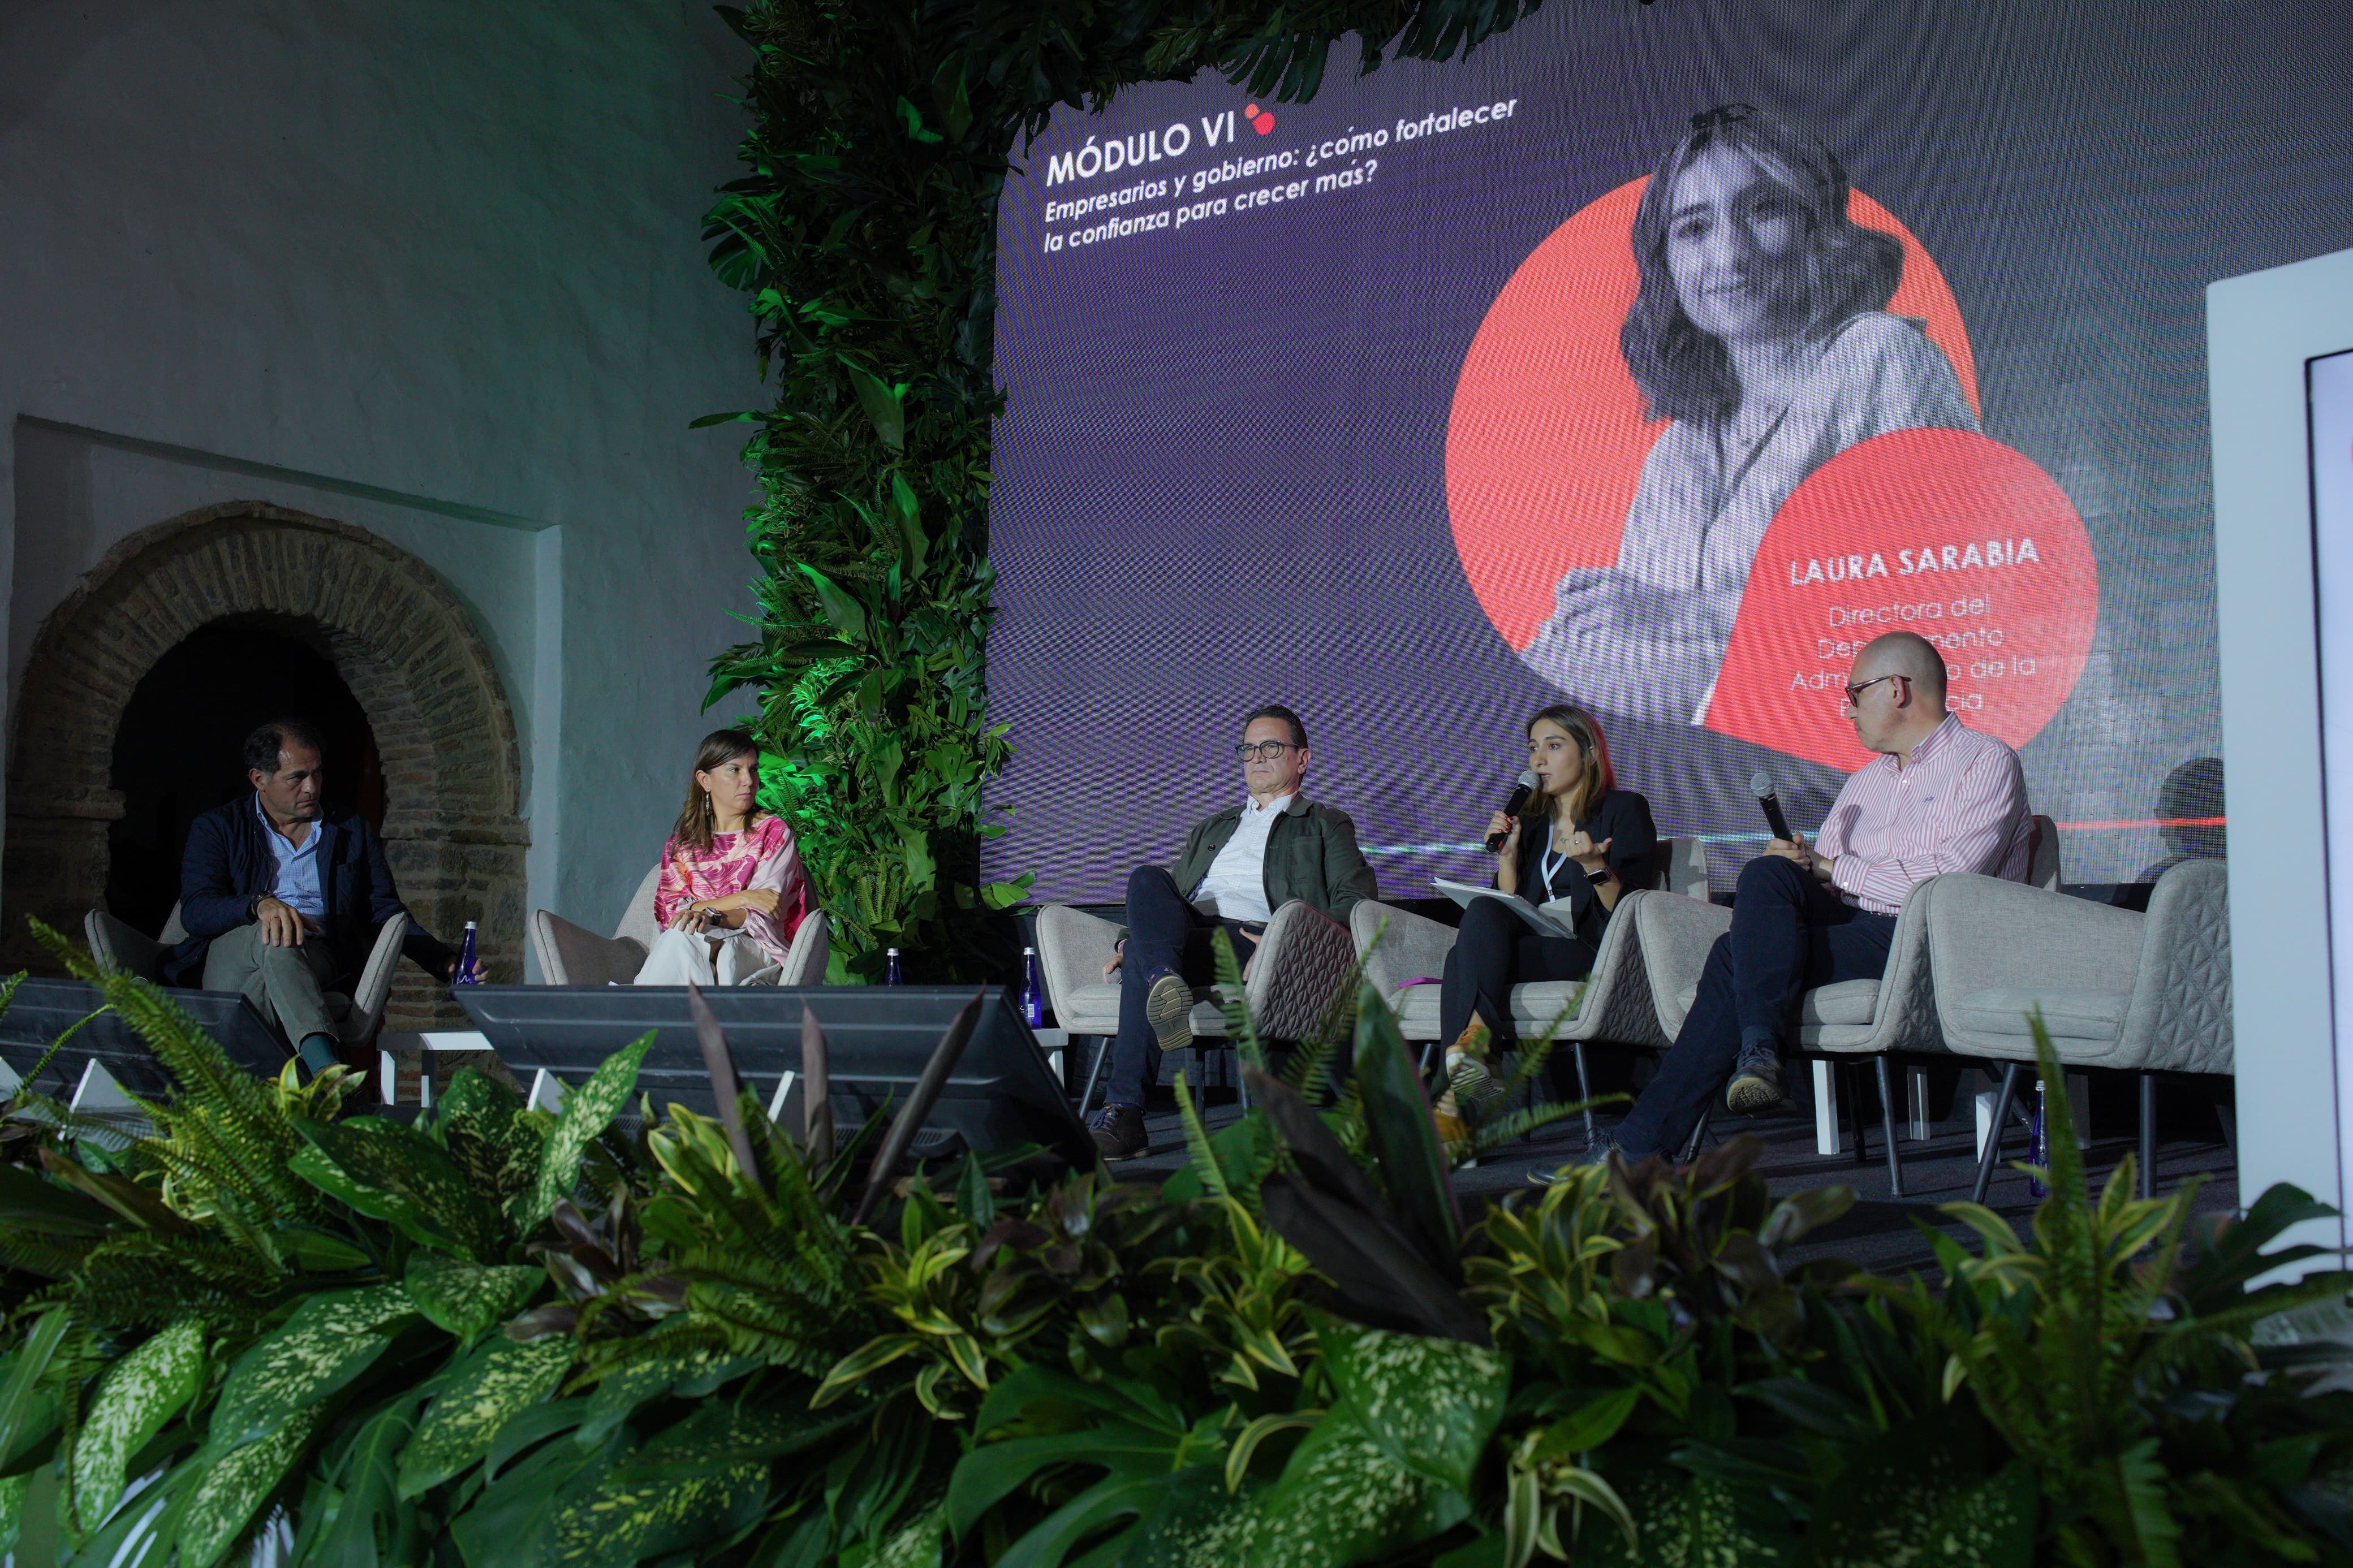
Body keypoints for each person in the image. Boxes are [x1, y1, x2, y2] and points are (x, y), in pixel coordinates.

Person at [1519, 104, 1979, 725]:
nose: (1730, 253)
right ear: (1666, 264)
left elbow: (1938, 594)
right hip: (1693, 773)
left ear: (1814, 226)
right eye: (1692, 228)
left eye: (1761, 209)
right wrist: (1592, 623)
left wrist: (1679, 616)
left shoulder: (1881, 360)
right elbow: (1635, 649)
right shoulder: (1674, 455)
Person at [1568, 632, 2031, 1168]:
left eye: (1855, 692)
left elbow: (1950, 880)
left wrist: (1832, 868)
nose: (1848, 708)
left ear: (1899, 689)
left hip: (1939, 938)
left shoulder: (1985, 761)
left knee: (1730, 956)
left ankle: (1643, 1146)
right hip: (1865, 928)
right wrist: (1805, 867)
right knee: (1769, 872)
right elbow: (1827, 878)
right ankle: (1757, 1055)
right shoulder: (1865, 783)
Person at [1088, 705, 1378, 1161]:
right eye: (1249, 748)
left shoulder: (1326, 823)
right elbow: (1172, 895)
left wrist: (1293, 941)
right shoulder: (1214, 826)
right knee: (1147, 877)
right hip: (1186, 941)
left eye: (1271, 747)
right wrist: (1131, 939)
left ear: (1302, 759)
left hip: (1257, 941)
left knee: (1149, 957)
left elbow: (1356, 899)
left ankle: (1124, 1114)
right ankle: (1163, 973)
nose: (1257, 756)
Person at [171, 718, 458, 1078]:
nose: (312, 787)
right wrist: (258, 905)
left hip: (317, 951)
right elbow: (196, 911)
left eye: (318, 774)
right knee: (274, 932)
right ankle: (326, 1073)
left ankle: (249, 1091)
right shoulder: (217, 827)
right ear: (259, 779)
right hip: (234, 949)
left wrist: (443, 961)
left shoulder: (348, 829)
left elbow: (383, 909)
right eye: (297, 778)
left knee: (277, 950)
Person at [1437, 705, 1658, 1098]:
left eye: (1554, 746)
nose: (1538, 759)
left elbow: (1634, 911)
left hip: (1596, 950)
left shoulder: (1623, 809)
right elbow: (1504, 911)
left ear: (1590, 753)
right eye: (1533, 748)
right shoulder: (1533, 824)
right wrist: (1507, 858)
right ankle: (1474, 1055)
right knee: (1479, 919)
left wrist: (1595, 866)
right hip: (1541, 943)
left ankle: (1454, 1101)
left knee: (1460, 962)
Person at [632, 728, 808, 987]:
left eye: (753, 770)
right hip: (695, 940)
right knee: (682, 936)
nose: (749, 781)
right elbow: (672, 914)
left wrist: (707, 914)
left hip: (757, 947)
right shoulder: (682, 844)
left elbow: (765, 912)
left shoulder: (772, 832)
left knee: (688, 941)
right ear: (705, 780)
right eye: (735, 770)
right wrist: (743, 897)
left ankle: (641, 1016)